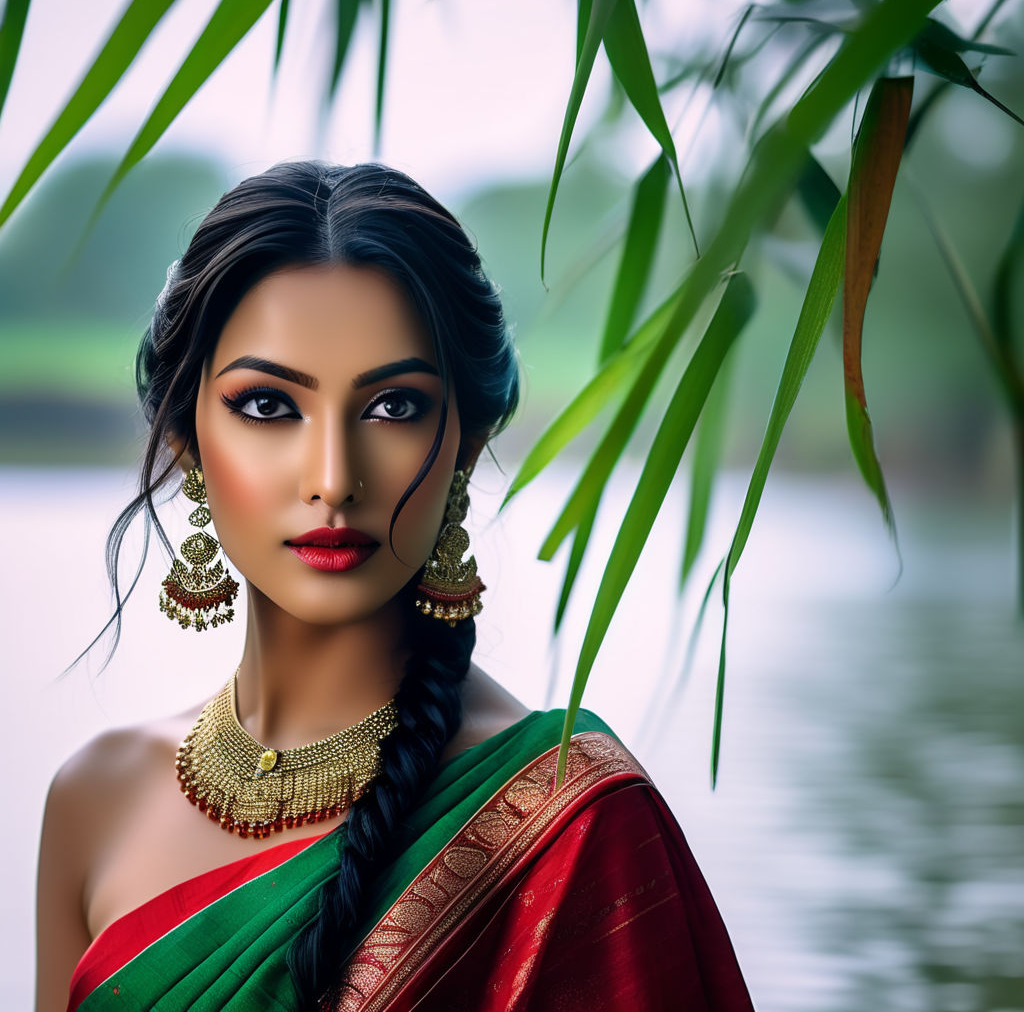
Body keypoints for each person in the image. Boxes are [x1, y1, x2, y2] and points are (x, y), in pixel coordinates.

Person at [36, 161, 754, 1012]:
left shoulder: (566, 821)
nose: (334, 479)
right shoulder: (97, 801)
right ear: (186, 437)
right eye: (268, 405)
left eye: (393, 407)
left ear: (467, 437)